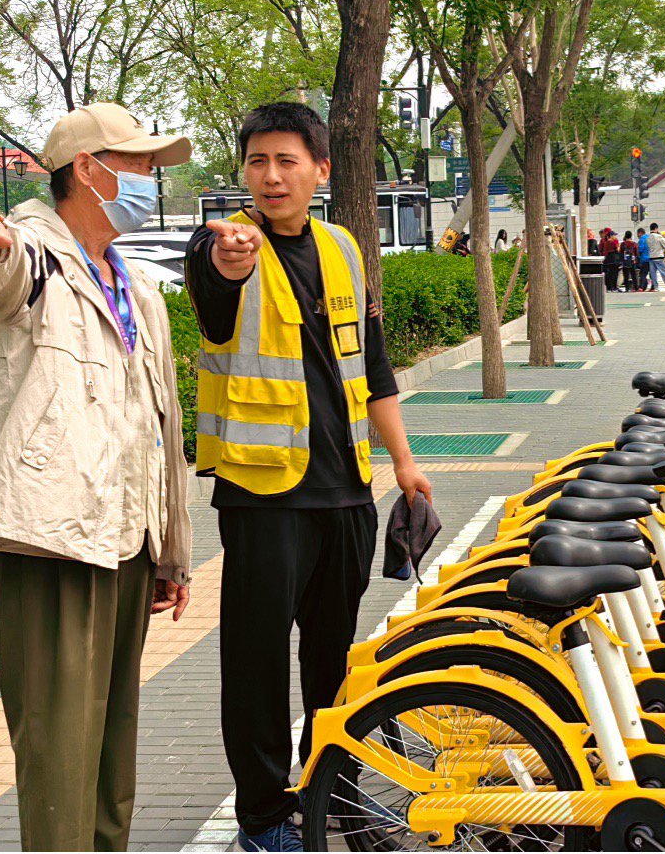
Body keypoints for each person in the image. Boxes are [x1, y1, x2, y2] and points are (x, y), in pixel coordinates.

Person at [0, 104, 193, 851]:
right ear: (89, 168)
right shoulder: (40, 256)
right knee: (59, 765)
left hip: (125, 545)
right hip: (49, 542)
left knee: (111, 765)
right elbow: (1, 269)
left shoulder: (135, 285)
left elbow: (160, 427)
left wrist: (170, 552)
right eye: (142, 165)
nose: (153, 180)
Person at [184, 103, 433, 852]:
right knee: (257, 663)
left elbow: (373, 364)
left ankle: (335, 795)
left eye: (287, 160)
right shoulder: (223, 248)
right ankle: (264, 816)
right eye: (257, 162)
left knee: (333, 662)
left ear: (321, 170)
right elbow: (215, 282)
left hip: (348, 490)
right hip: (264, 496)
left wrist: (404, 460)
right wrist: (227, 258)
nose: (270, 176)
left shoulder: (344, 248)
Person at [645, 222, 665, 291]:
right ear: (656, 228)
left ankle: (656, 287)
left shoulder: (648, 238)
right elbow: (664, 245)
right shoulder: (659, 236)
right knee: (663, 272)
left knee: (653, 273)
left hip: (651, 257)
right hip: (659, 256)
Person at [600, 227, 621, 291]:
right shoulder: (614, 242)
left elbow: (602, 250)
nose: (615, 236)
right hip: (614, 259)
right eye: (614, 235)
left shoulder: (605, 242)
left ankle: (609, 287)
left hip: (607, 259)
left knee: (609, 274)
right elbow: (618, 250)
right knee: (614, 274)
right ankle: (614, 287)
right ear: (611, 235)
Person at [635, 226, 650, 291]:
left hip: (644, 259)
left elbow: (640, 249)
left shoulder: (642, 239)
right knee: (651, 274)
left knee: (643, 274)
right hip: (651, 258)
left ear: (640, 233)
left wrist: (638, 256)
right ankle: (652, 287)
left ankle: (641, 287)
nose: (638, 235)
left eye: (638, 234)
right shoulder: (649, 237)